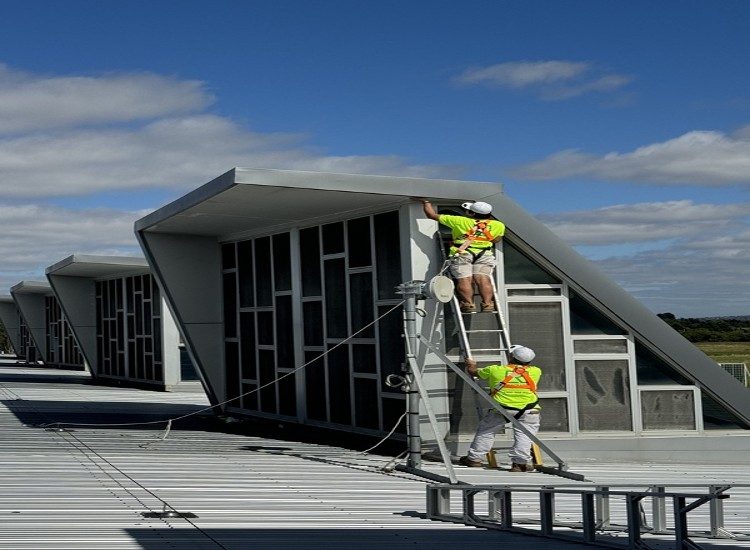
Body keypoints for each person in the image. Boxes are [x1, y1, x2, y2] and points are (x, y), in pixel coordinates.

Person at [458, 345, 541, 472]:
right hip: (529, 410)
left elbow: (474, 372)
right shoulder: (536, 371)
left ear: (511, 356)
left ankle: (474, 459)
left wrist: (471, 364)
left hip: (502, 409)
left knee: (486, 432)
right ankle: (519, 464)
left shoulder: (495, 370)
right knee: (524, 436)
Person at [420, 199, 505, 314]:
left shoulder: (459, 221)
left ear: (472, 213)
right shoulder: (499, 225)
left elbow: (431, 215)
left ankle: (469, 304)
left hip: (463, 253)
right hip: (484, 254)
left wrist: (426, 202)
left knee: (465, 279)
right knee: (483, 278)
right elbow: (496, 239)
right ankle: (487, 304)